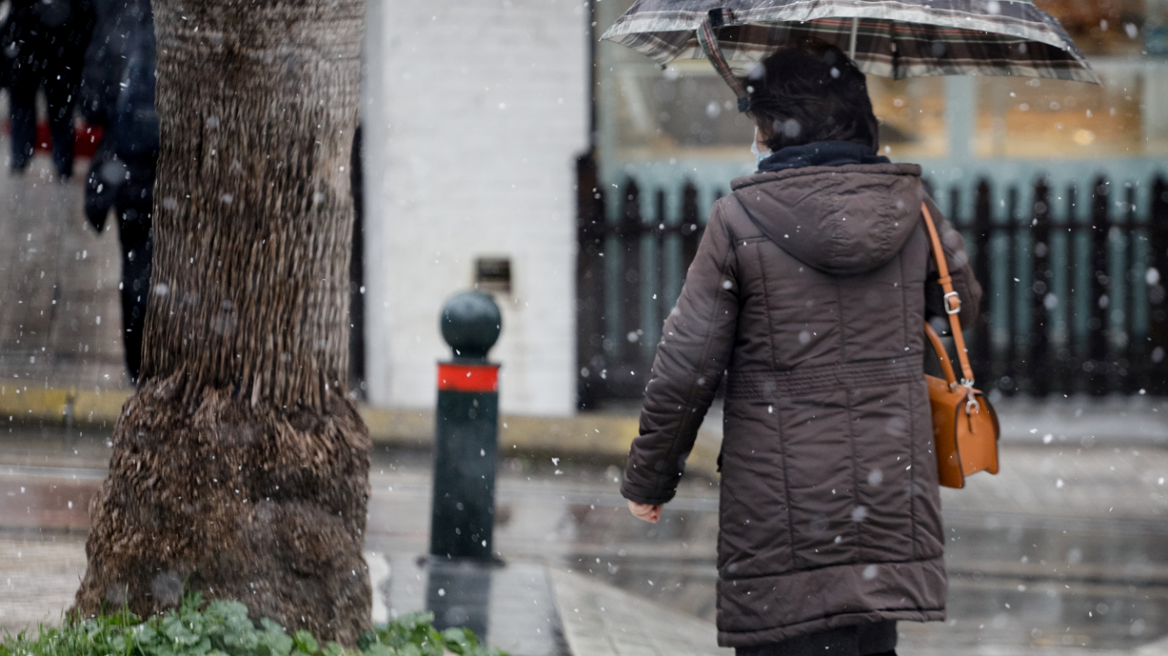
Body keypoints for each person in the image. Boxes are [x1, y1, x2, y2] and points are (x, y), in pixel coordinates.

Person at [622, 42, 982, 655]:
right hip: (887, 494)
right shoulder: (912, 207)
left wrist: (650, 479)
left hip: (777, 510)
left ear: (774, 127)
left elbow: (687, 366)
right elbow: (961, 307)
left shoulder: (738, 219)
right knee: (867, 638)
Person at [79, 0, 156, 382]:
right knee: (174, 271)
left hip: (130, 172)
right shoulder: (190, 23)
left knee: (137, 268)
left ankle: (140, 370)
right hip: (179, 174)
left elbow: (92, 103)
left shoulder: (119, 17)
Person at [1, 0, 94, 178]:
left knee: (44, 108)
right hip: (51, 44)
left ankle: (26, 163)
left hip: (42, 42)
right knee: (49, 109)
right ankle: (50, 165)